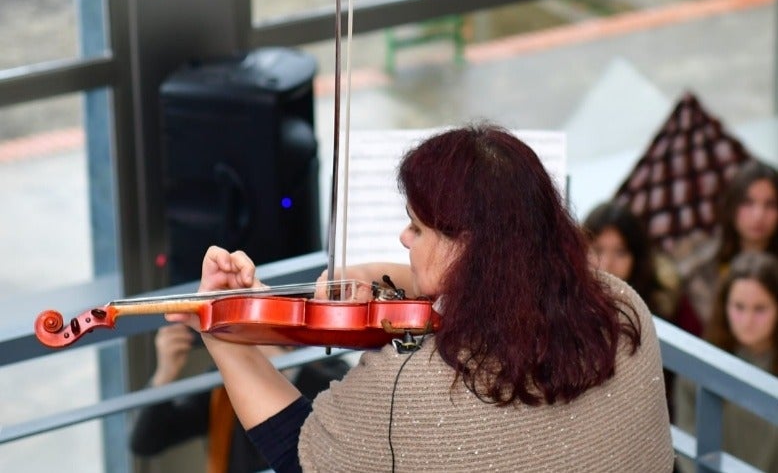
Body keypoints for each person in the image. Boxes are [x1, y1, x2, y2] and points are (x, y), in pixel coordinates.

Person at [167, 123, 674, 472]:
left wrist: (224, 336)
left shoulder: (413, 393)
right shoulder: (622, 308)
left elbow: (304, 455)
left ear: (471, 250)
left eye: (417, 228)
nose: (404, 241)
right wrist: (363, 275)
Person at [129, 324, 351, 473]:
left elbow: (349, 411)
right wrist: (165, 373)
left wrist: (279, 364)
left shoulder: (322, 359)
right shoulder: (222, 387)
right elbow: (146, 441)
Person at [673, 251, 778, 472]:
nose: (747, 321)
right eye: (739, 307)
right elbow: (687, 435)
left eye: (760, 309)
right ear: (724, 306)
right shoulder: (699, 364)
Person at [680, 160, 778, 337]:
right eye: (748, 203)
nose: (759, 215)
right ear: (732, 206)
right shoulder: (701, 269)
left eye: (770, 204)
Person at [582, 201, 680, 322]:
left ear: (637, 259)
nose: (607, 264)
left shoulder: (659, 317)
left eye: (620, 252)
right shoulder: (562, 305)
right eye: (597, 250)